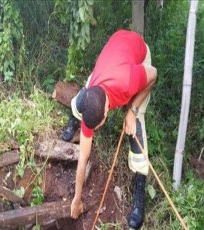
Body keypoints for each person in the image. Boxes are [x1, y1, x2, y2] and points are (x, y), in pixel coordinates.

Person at [62, 29, 157, 229]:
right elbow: (83, 159)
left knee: (135, 125)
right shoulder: (93, 92)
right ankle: (75, 117)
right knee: (81, 99)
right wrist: (77, 198)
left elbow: (154, 75)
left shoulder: (129, 81)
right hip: (113, 50)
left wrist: (131, 109)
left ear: (106, 110)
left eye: (95, 127)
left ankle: (139, 190)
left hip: (138, 54)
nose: (93, 131)